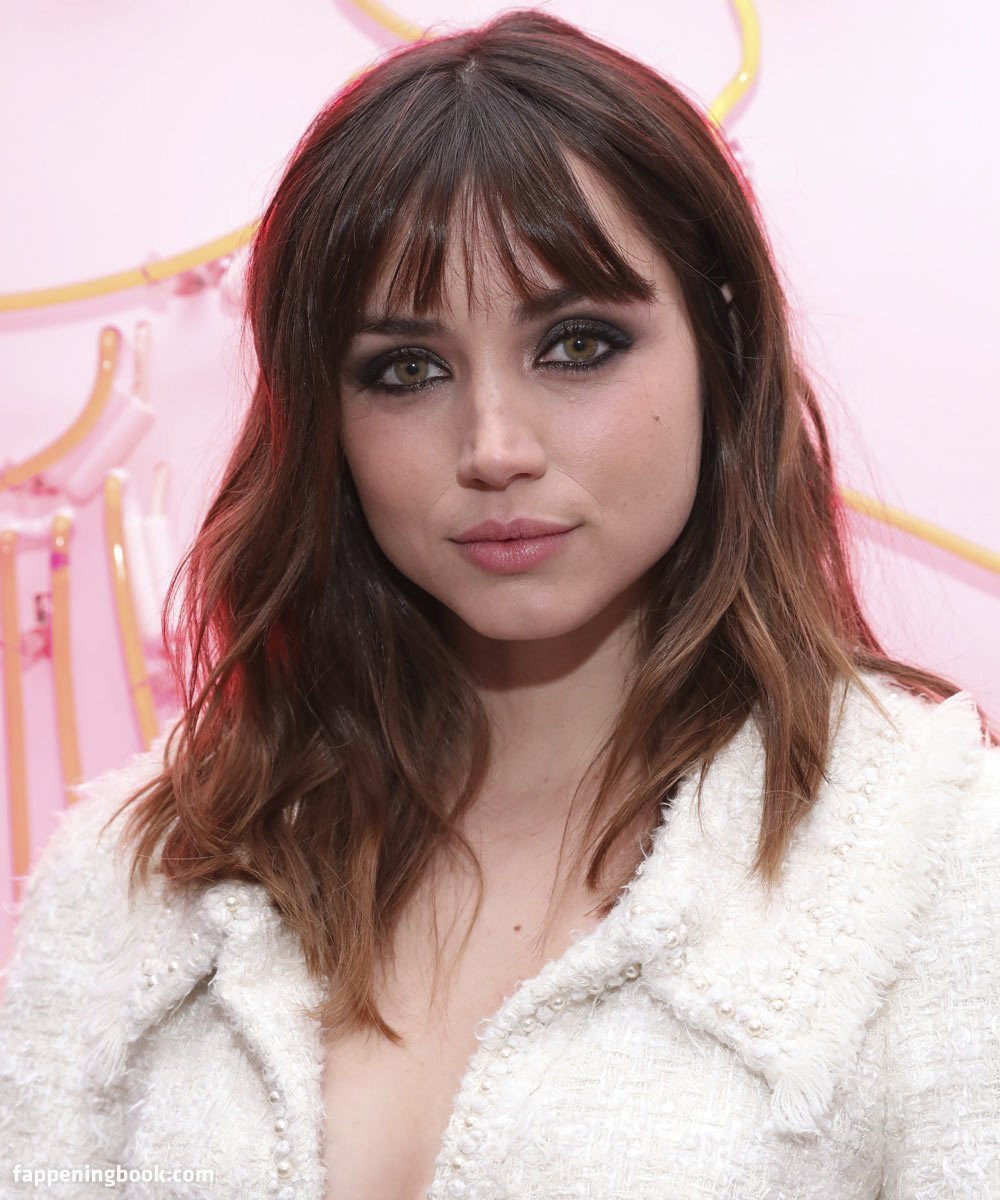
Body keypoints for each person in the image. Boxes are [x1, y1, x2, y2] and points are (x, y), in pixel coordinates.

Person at [1, 9, 998, 1199]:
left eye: (576, 345)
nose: (492, 448)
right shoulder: (141, 867)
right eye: (405, 369)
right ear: (325, 417)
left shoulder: (931, 850)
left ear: (721, 348)